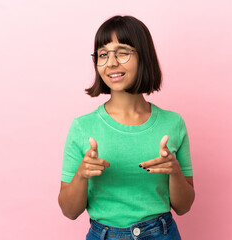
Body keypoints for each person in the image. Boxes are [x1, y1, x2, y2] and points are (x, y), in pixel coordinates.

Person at [58, 15, 195, 240]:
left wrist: (174, 171)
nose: (111, 62)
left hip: (161, 233)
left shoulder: (173, 123)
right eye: (103, 54)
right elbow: (69, 211)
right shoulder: (83, 127)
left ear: (144, 56)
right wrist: (82, 175)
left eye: (122, 52)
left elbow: (184, 206)